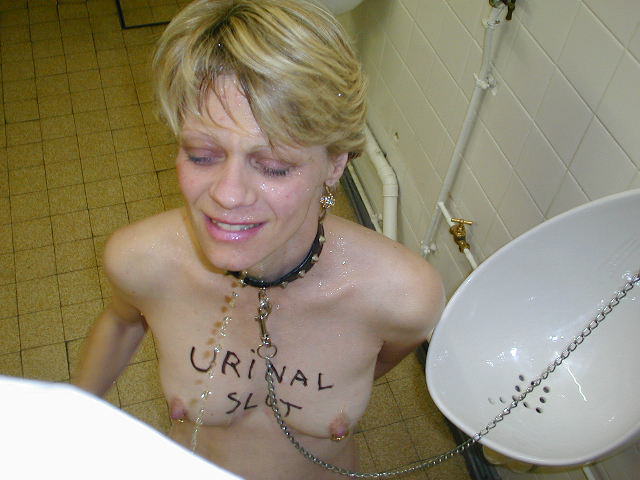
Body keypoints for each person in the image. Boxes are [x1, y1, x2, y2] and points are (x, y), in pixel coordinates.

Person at [74, 1, 444, 478]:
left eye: (273, 166)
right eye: (202, 155)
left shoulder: (403, 295)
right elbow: (123, 321)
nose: (227, 195)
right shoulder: (141, 261)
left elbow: (379, 358)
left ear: (336, 163)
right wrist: (65, 418)